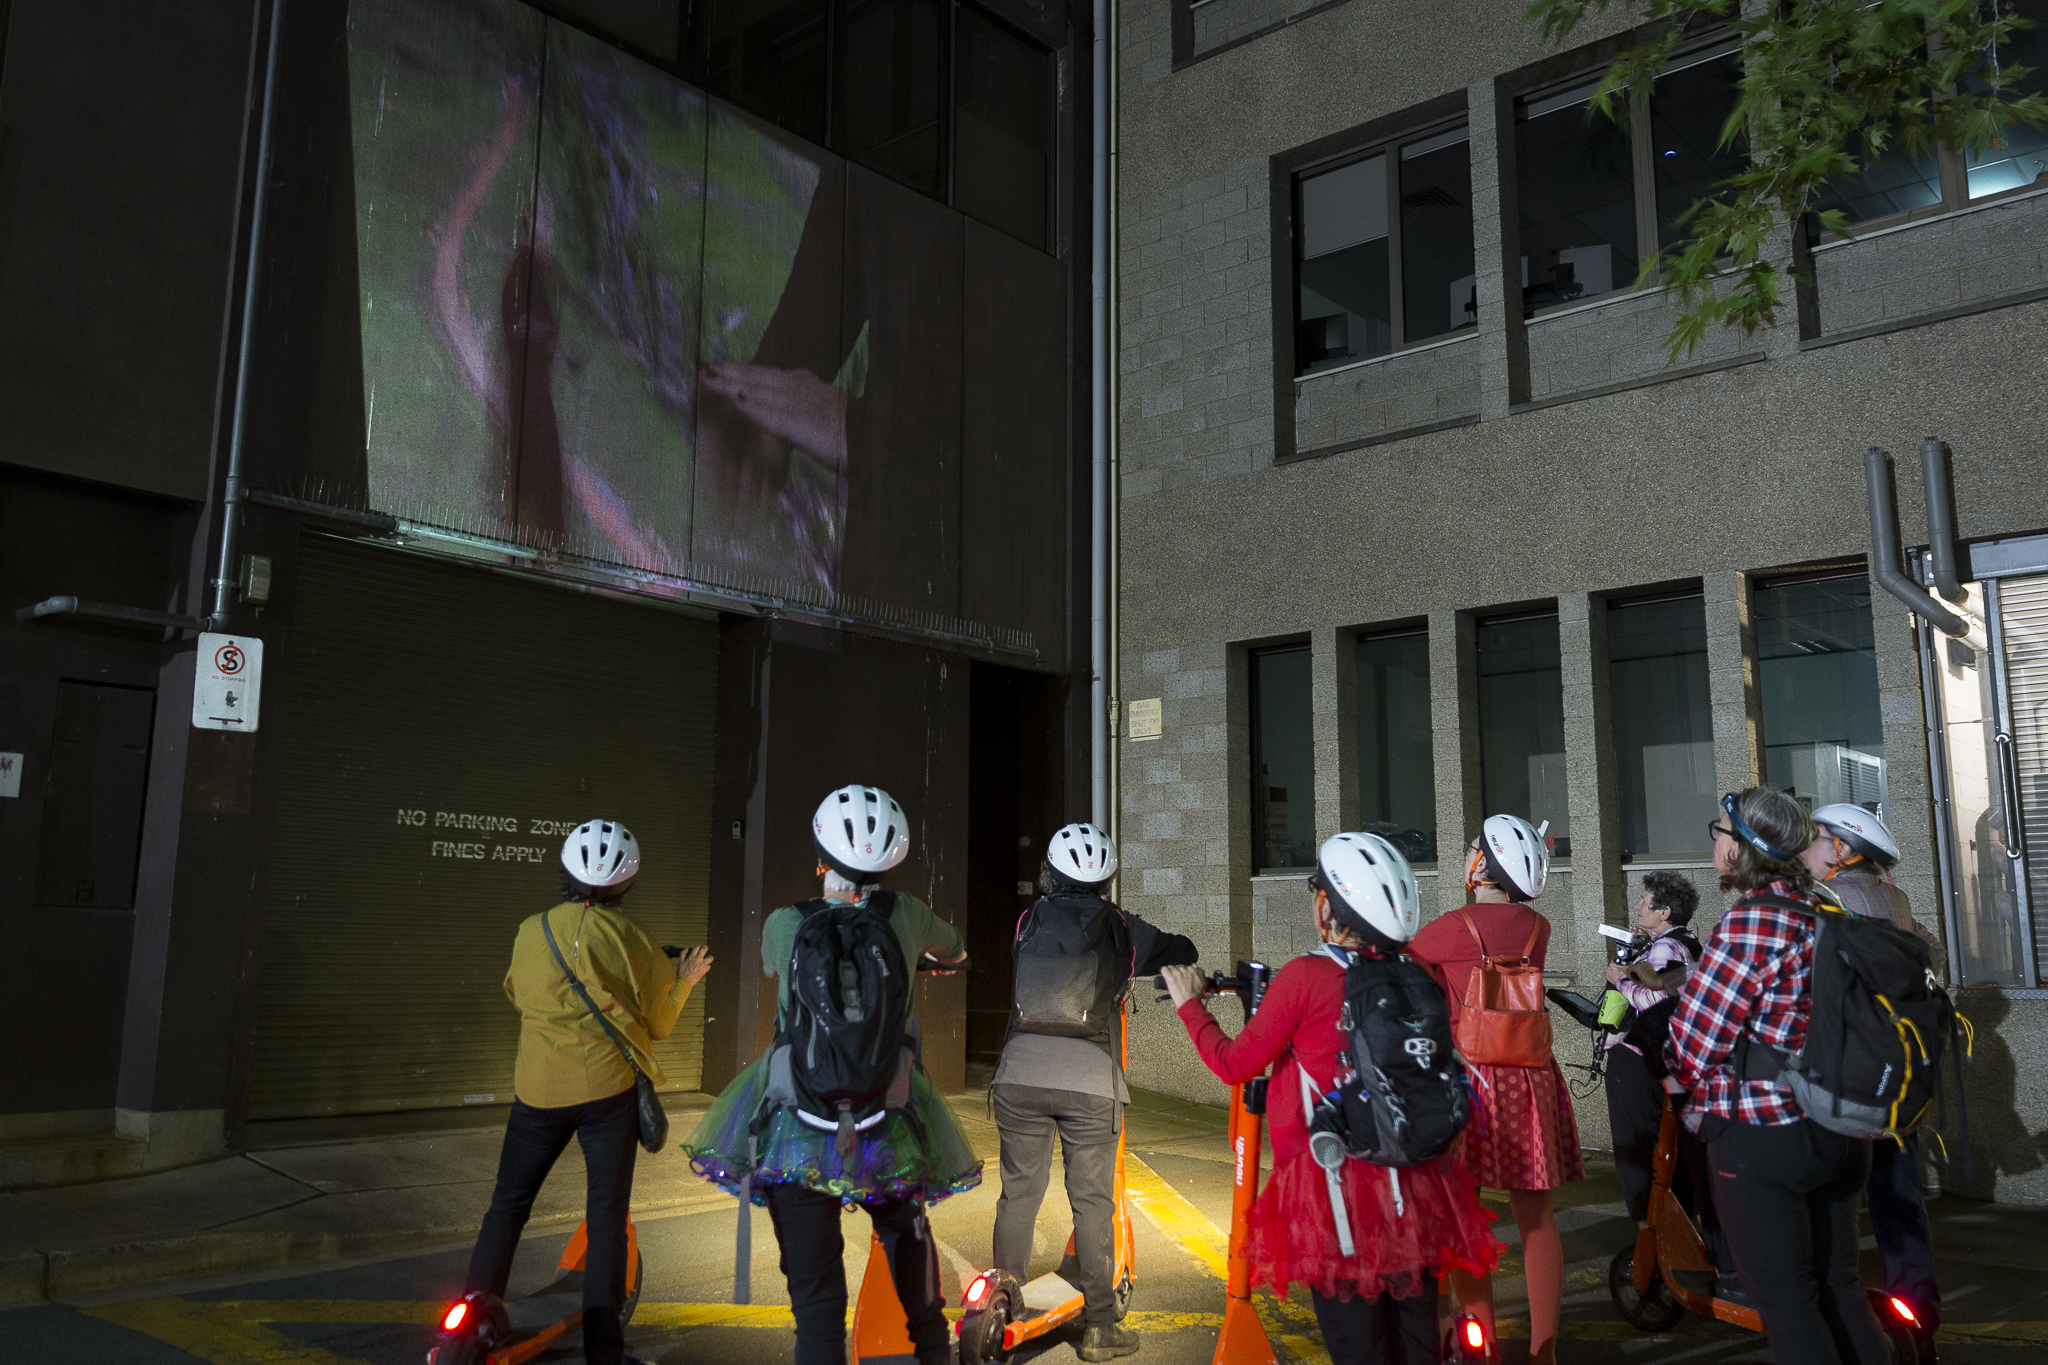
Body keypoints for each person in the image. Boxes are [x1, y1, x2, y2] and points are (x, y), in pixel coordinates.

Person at [1162, 833, 1500, 1365]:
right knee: (1418, 1343)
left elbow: (1234, 1063)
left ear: (1328, 907)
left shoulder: (1304, 977)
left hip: (1334, 1189)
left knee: (1358, 1344)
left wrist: (1189, 1005)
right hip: (1415, 1186)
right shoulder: (1418, 974)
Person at [685, 785, 979, 1365]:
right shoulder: (910, 915)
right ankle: (932, 1352)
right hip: (887, 1119)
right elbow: (958, 954)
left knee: (817, 1307)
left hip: (799, 1120)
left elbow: (779, 969)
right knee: (916, 1278)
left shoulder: (784, 922)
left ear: (821, 857)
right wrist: (919, 961)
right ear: (890, 862)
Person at [464, 820, 714, 1365]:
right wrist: (686, 979)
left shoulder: (532, 929)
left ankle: (469, 1326)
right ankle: (605, 1351)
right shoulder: (634, 939)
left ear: (565, 874)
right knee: (606, 1220)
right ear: (627, 884)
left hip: (537, 1090)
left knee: (506, 1208)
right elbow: (659, 1023)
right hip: (607, 1093)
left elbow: (516, 990)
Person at [1666, 788, 1890, 1364]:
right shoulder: (1825, 907)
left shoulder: (1751, 921)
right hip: (1840, 1127)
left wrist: (1674, 1073)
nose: (1715, 841)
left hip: (1764, 1133)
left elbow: (1695, 1041)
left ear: (1742, 848)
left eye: (1720, 831)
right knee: (1840, 1288)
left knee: (1787, 1302)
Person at [990, 823, 1199, 1362]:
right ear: (1106, 880)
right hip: (1089, 1082)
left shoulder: (1026, 920)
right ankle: (1101, 1329)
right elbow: (1184, 948)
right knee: (1092, 1201)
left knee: (1019, 1195)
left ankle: (1001, 1311)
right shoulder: (1121, 926)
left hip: (1017, 1074)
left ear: (1050, 875)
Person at [1406, 814, 1582, 1365]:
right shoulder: (1538, 928)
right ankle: (1544, 1351)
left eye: (1471, 849)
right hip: (1531, 1077)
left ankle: (1480, 1345)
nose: (1466, 856)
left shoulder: (1453, 925)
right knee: (1536, 1215)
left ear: (1483, 864)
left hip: (1474, 1080)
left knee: (1466, 1212)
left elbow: (1406, 969)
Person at [1805, 803, 1944, 1346]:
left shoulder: (1827, 900)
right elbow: (1935, 954)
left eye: (1817, 839)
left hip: (1840, 1081)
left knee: (1826, 1205)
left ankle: (1834, 1324)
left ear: (1842, 850)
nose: (1808, 849)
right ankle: (1918, 1317)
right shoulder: (1898, 900)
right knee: (1899, 1200)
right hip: (1901, 1081)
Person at [1601, 872, 1706, 1231]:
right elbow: (1675, 990)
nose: (1637, 906)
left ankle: (1651, 1239)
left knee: (1637, 1155)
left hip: (1635, 1061)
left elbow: (1654, 1002)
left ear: (1664, 911)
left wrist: (1622, 980)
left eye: (1644, 901)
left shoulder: (1664, 949)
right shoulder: (1686, 944)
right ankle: (1678, 1233)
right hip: (1668, 1061)